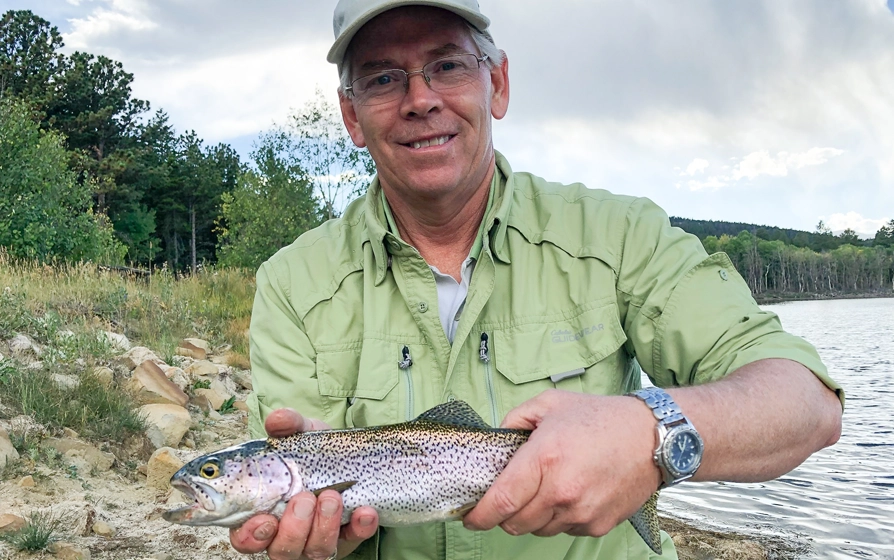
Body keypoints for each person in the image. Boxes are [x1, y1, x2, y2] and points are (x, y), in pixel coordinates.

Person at [231, 1, 844, 559]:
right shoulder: (291, 283)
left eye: (446, 66)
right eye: (384, 78)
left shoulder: (619, 233)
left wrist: (651, 432)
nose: (419, 99)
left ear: (496, 84)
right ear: (352, 115)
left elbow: (807, 403)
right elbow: (307, 532)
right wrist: (315, 538)